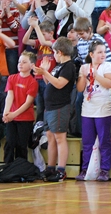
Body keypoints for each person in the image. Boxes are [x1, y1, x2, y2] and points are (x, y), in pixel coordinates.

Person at [34, 37, 76, 182]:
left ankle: (61, 169)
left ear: (60, 52)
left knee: (60, 138)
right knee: (50, 137)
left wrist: (46, 73)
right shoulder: (58, 67)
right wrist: (45, 72)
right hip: (50, 107)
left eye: (54, 53)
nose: (54, 56)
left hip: (60, 106)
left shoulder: (69, 66)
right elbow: (50, 83)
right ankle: (50, 167)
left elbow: (59, 84)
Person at [74, 40, 111, 181]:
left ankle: (104, 170)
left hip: (103, 108)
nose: (103, 54)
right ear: (91, 54)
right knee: (87, 141)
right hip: (87, 109)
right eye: (99, 52)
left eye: (104, 51)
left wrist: (96, 75)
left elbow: (110, 84)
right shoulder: (84, 67)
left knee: (104, 141)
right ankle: (85, 169)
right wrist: (84, 76)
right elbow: (80, 89)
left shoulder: (107, 66)